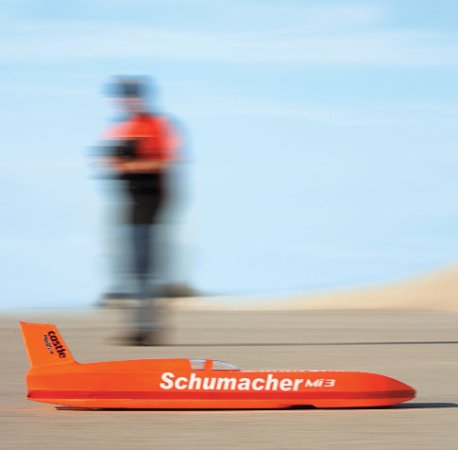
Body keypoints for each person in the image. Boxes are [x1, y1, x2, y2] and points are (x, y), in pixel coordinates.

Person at [99, 76, 180, 345]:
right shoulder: (123, 127)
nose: (126, 101)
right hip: (130, 204)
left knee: (145, 269)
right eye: (123, 97)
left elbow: (164, 163)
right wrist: (112, 161)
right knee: (132, 269)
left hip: (150, 203)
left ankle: (148, 328)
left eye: (130, 96)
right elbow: (109, 160)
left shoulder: (157, 125)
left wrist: (128, 166)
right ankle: (139, 326)